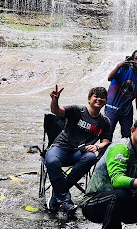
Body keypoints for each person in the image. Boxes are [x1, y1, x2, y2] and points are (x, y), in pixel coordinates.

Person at [45, 85, 111, 216]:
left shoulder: (105, 122)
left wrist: (97, 146)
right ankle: (65, 200)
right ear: (89, 99)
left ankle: (57, 194)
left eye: (102, 97)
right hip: (60, 147)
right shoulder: (77, 110)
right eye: (96, 96)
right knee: (51, 161)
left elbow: (106, 141)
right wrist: (55, 100)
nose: (99, 99)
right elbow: (57, 111)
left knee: (92, 157)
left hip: (79, 153)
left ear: (106, 101)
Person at [105, 50, 137, 139]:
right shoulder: (123, 69)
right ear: (132, 59)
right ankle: (103, 152)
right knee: (107, 133)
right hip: (112, 107)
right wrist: (119, 65)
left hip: (126, 110)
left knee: (127, 135)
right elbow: (109, 78)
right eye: (136, 58)